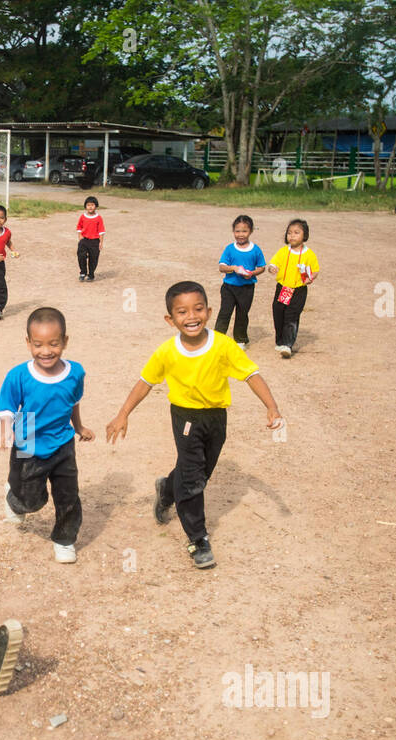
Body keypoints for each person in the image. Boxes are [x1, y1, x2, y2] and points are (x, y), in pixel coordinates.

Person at [105, 281, 284, 569]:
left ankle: (167, 489)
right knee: (192, 479)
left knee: (200, 472)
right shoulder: (166, 352)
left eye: (198, 309)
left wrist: (271, 407)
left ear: (209, 312)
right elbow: (145, 382)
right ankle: (197, 538)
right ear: (170, 319)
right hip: (185, 418)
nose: (191, 317)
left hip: (216, 419)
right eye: (182, 312)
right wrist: (123, 413)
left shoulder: (223, 346)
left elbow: (252, 374)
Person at [0, 307, 93, 564]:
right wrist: (6, 432)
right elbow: (6, 407)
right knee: (30, 501)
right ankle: (15, 497)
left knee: (68, 496)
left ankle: (64, 540)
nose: (46, 351)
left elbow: (73, 402)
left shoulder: (75, 373)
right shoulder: (18, 375)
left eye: (54, 344)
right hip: (27, 440)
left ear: (65, 341)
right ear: (28, 343)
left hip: (62, 442)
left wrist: (80, 427)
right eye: (38, 344)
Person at [266, 218, 320, 358]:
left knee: (292, 315)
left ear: (305, 235)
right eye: (289, 232)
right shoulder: (283, 251)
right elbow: (273, 263)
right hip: (283, 289)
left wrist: (311, 278)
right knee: (279, 313)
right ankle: (280, 340)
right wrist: (272, 268)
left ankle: (288, 344)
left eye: (296, 232)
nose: (292, 235)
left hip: (299, 290)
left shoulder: (309, 254)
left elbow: (315, 270)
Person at [214, 214, 266, 350]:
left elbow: (261, 267)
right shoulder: (230, 249)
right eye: (237, 231)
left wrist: (252, 273)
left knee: (242, 314)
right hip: (229, 287)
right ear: (233, 231)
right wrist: (234, 268)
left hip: (247, 288)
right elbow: (221, 267)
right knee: (225, 312)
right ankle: (217, 339)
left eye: (244, 231)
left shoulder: (255, 250)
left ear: (251, 231)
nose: (240, 234)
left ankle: (240, 339)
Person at [76, 196, 106, 281]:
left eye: (92, 205)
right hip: (84, 240)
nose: (90, 207)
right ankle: (83, 272)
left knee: (93, 258)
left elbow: (101, 231)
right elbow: (79, 227)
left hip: (95, 241)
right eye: (88, 205)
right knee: (81, 255)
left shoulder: (98, 218)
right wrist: (80, 236)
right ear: (85, 206)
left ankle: (91, 274)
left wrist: (101, 242)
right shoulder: (83, 217)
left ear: (96, 206)